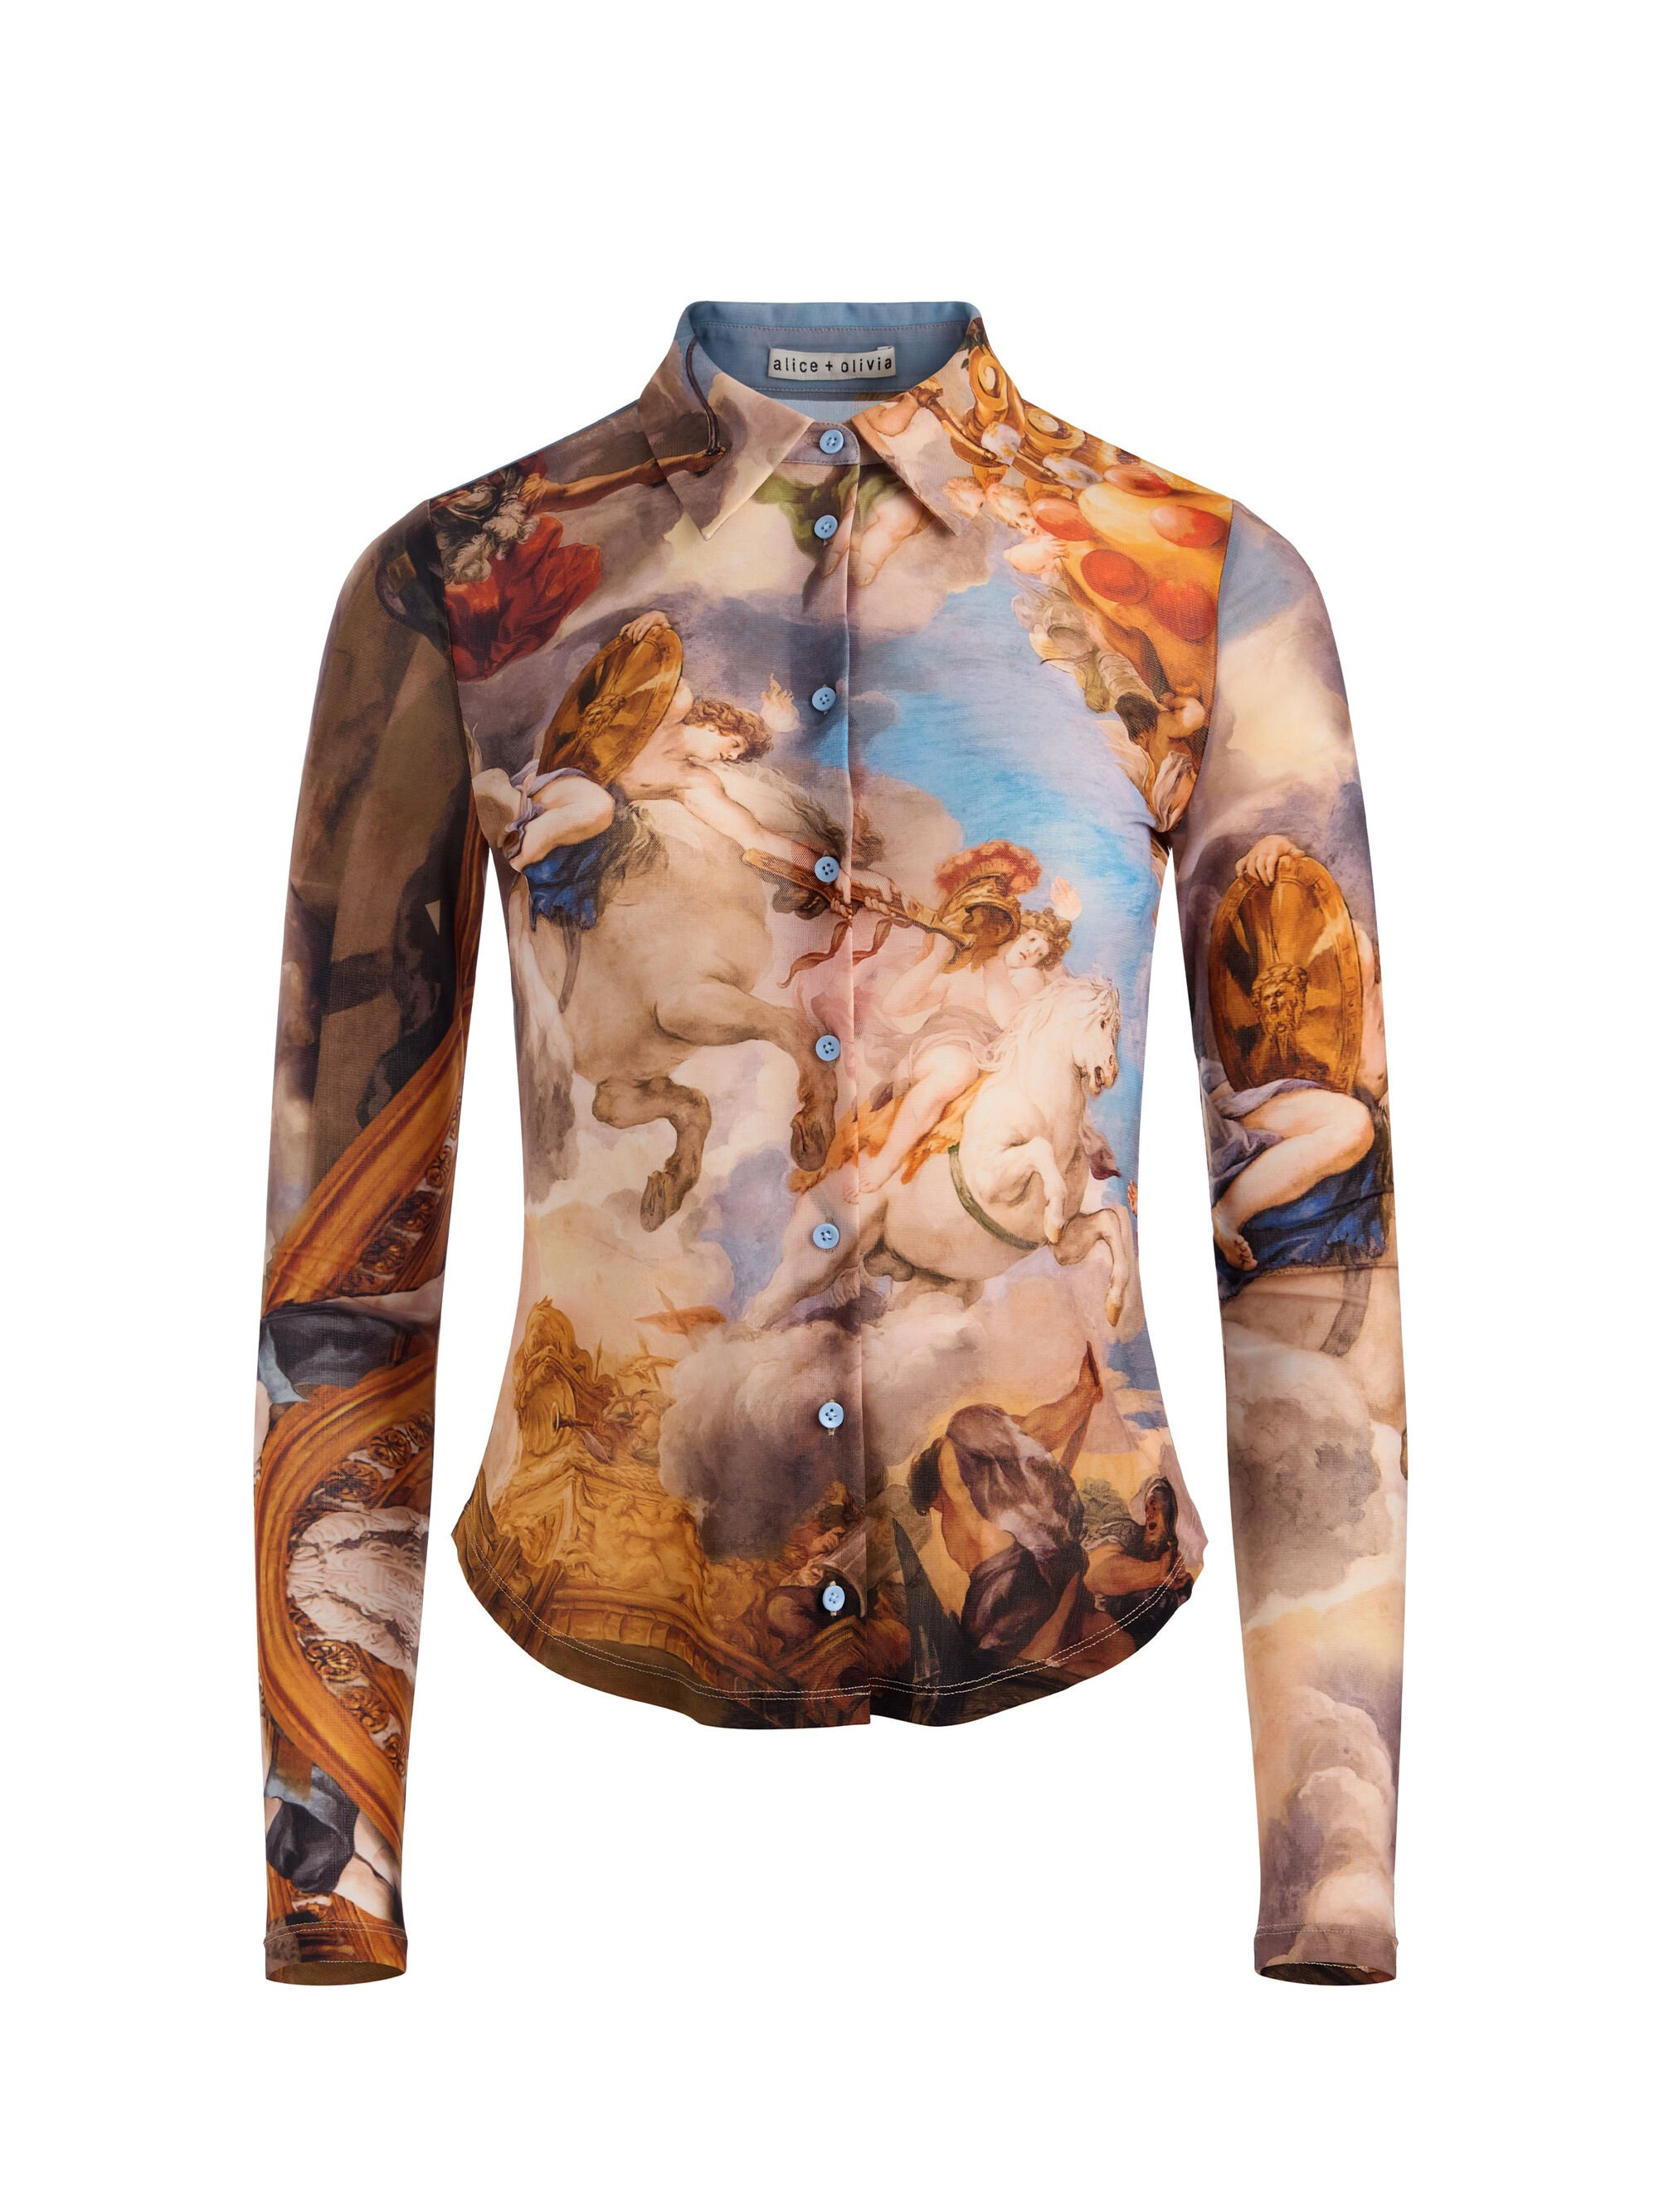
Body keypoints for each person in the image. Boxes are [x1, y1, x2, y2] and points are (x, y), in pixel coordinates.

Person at [859, 870, 1082, 1195]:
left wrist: (999, 964)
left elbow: (1008, 1018)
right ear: (1015, 932)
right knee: (955, 1069)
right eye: (1032, 939)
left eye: (1040, 953)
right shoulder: (966, 969)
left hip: (994, 1057)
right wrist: (937, 958)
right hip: (946, 1045)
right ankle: (887, 1161)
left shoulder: (1027, 979)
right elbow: (896, 1005)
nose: (1032, 952)